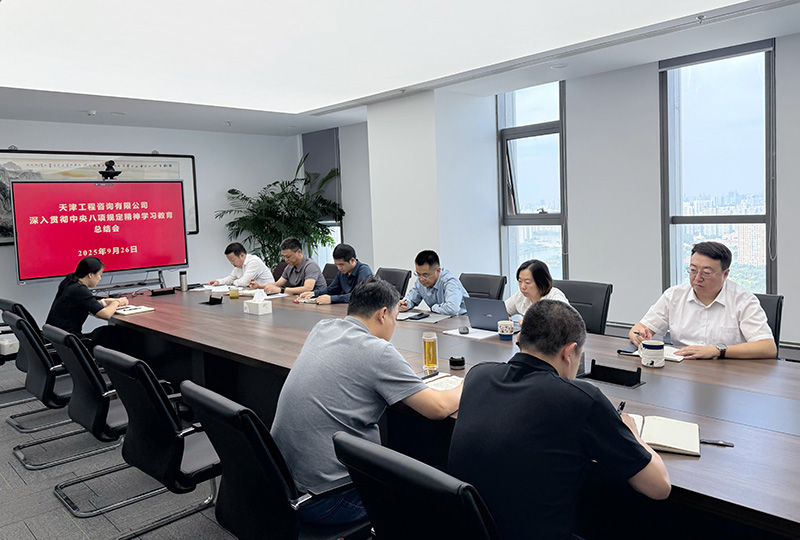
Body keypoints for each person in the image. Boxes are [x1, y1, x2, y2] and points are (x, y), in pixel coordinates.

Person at [449, 300, 671, 539]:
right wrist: (632, 432)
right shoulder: (581, 399)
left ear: (519, 338)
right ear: (568, 352)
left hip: (468, 530)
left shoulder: (478, 375)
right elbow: (659, 487)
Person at [271, 276, 462, 525]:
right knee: (434, 494)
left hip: (283, 486)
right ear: (383, 314)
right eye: (395, 318)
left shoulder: (322, 328)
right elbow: (438, 408)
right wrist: (468, 383)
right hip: (332, 498)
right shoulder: (378, 351)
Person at [629, 241, 776, 359]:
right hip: (682, 369)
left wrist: (716, 350)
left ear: (725, 274)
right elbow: (639, 328)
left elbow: (767, 347)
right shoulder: (674, 295)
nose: (697, 278)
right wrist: (638, 336)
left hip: (728, 373)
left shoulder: (743, 300)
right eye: (693, 270)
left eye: (706, 273)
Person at [46, 256, 129, 337]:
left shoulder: (69, 281)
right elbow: (105, 314)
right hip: (71, 340)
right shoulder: (80, 290)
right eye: (99, 275)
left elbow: (80, 304)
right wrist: (117, 302)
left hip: (55, 336)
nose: (100, 278)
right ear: (90, 275)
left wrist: (103, 302)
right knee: (113, 334)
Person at [398, 250, 468, 316]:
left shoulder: (450, 281)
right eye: (418, 274)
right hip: (440, 318)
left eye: (425, 275)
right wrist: (405, 304)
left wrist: (434, 308)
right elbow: (411, 299)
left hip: (463, 320)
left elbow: (452, 309)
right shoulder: (420, 281)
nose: (421, 279)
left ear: (438, 270)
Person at [297, 243, 372, 304]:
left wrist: (332, 299)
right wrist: (313, 294)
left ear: (352, 260)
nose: (339, 268)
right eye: (337, 265)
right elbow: (331, 290)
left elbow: (360, 295)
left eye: (341, 265)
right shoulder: (342, 273)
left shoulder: (364, 270)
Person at [253, 237, 326, 295]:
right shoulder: (290, 266)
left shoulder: (311, 266)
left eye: (288, 256)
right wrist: (259, 286)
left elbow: (308, 288)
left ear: (299, 252)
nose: (286, 260)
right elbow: (277, 284)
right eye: (283, 257)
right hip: (299, 299)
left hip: (317, 300)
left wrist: (281, 290)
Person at [207, 242, 273, 288]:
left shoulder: (254, 262)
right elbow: (231, 278)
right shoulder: (239, 266)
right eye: (230, 261)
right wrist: (218, 282)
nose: (232, 263)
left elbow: (244, 282)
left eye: (233, 260)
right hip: (253, 292)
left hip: (267, 293)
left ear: (242, 255)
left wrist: (234, 282)